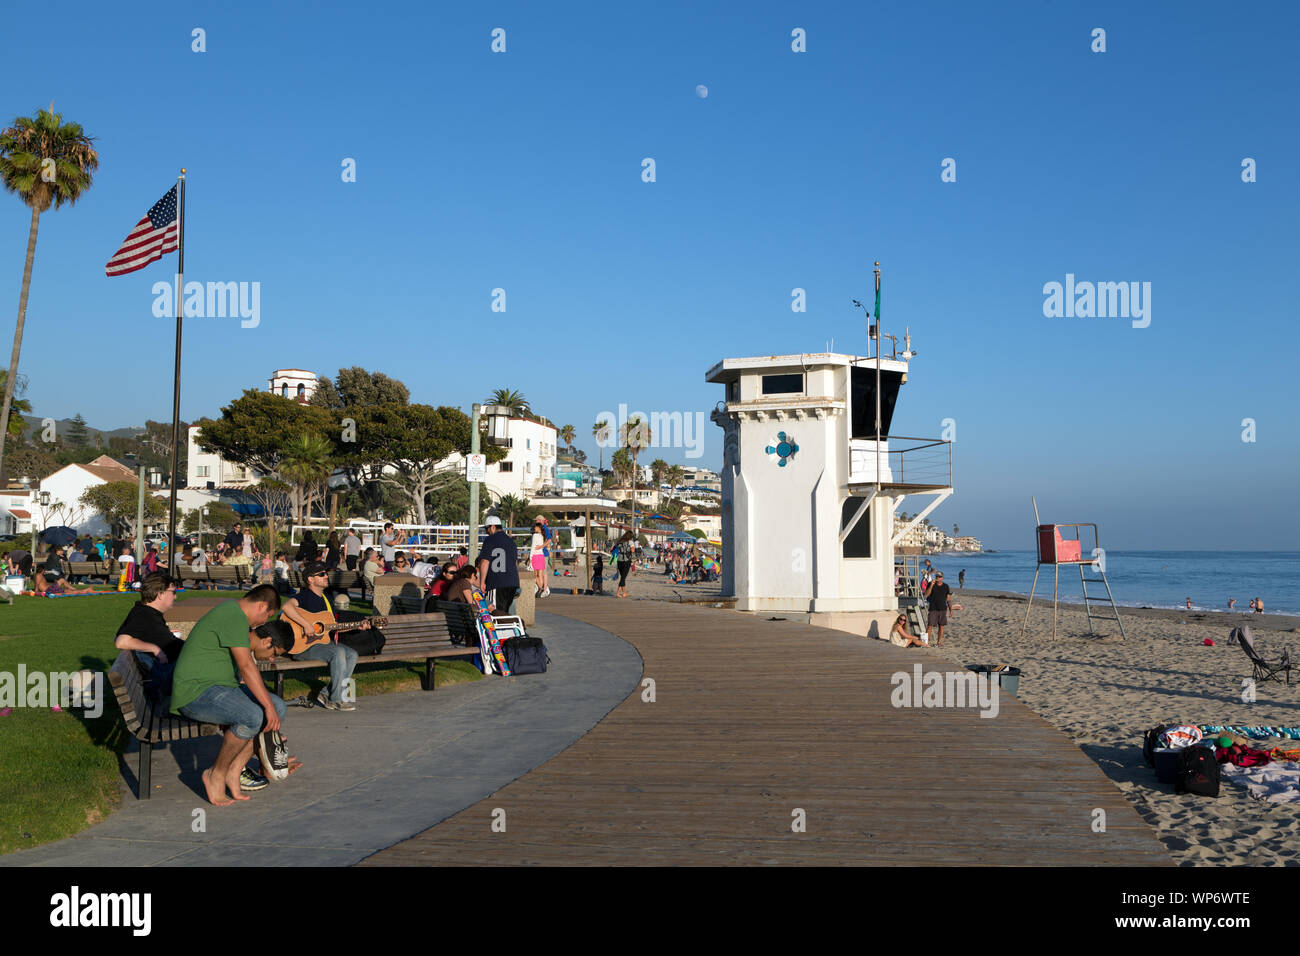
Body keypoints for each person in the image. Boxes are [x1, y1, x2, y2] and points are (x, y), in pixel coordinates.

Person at [170, 584, 285, 805]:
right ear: (261, 605)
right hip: (195, 693)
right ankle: (216, 774)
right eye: (266, 616)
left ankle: (235, 769)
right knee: (253, 715)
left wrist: (271, 706)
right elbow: (246, 666)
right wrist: (266, 706)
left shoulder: (236, 617)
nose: (263, 623)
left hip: (219, 688)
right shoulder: (233, 615)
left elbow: (245, 667)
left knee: (279, 707)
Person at [278, 561, 370, 711]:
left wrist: (357, 626)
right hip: (303, 646)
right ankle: (335, 699)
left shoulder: (327, 599)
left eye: (326, 573)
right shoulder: (305, 596)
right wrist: (306, 625)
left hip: (321, 644)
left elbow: (332, 628)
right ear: (310, 579)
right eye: (321, 574)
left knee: (352, 654)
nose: (326, 576)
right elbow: (286, 607)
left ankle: (327, 693)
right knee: (338, 652)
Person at [114, 572, 185, 701]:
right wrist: (155, 649)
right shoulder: (143, 614)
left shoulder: (148, 613)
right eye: (173, 592)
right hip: (167, 683)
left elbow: (149, 633)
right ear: (160, 594)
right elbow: (121, 641)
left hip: (173, 674)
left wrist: (167, 634)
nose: (175, 597)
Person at [475, 515, 519, 614]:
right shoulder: (511, 541)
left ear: (493, 527)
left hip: (496, 581)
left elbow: (485, 562)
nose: (487, 532)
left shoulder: (490, 540)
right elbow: (515, 562)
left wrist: (482, 582)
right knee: (504, 611)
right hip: (512, 582)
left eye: (487, 528)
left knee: (494, 612)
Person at [926, 571, 953, 647]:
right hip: (933, 608)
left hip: (942, 609)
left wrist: (951, 610)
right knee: (930, 625)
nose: (938, 578)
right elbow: (926, 595)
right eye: (937, 576)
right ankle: (926, 642)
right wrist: (931, 585)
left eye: (939, 577)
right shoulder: (931, 584)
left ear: (942, 578)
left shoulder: (946, 586)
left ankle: (939, 642)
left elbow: (948, 599)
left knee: (941, 626)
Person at [530, 521, 549, 598]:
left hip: (535, 556)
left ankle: (540, 588)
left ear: (538, 528)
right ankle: (541, 589)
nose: (534, 528)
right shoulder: (542, 536)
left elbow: (533, 547)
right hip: (541, 556)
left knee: (534, 575)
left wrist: (530, 557)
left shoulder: (535, 535)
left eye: (535, 527)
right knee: (540, 575)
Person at [614, 532, 635, 598]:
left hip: (619, 560)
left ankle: (624, 593)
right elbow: (632, 550)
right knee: (623, 577)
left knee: (622, 577)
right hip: (626, 560)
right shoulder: (630, 542)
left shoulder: (619, 541)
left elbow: (613, 549)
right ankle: (618, 593)